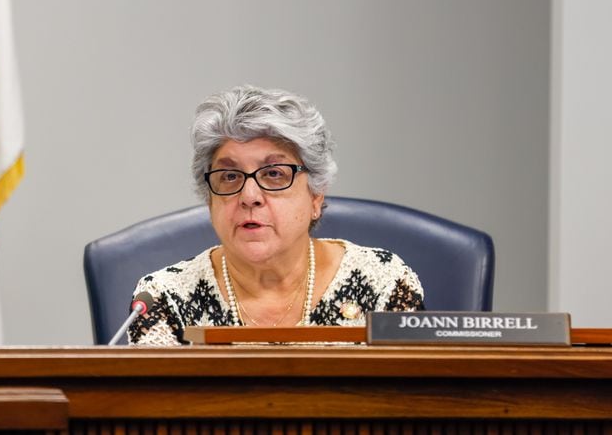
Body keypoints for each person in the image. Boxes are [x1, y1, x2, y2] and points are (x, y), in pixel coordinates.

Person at [128, 85, 424, 345]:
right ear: (210, 201)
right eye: (229, 176)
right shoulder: (162, 298)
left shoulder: (382, 282)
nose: (249, 197)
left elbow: (411, 400)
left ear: (316, 195)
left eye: (273, 174)